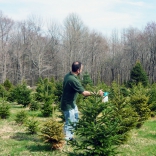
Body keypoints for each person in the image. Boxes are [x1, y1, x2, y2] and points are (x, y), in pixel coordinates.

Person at [61, 61, 103, 141]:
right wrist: (97, 93)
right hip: (68, 105)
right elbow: (84, 93)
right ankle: (65, 139)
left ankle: (70, 136)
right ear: (78, 70)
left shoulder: (68, 75)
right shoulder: (73, 80)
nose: (82, 70)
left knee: (75, 119)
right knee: (70, 122)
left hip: (72, 103)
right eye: (81, 69)